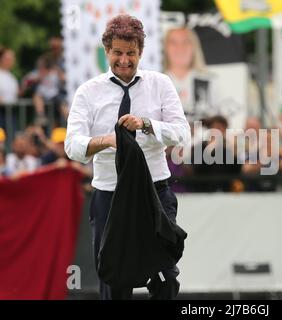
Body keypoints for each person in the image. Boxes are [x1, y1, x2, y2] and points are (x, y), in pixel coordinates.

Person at [64, 14, 190, 300]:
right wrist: (109, 140)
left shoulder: (160, 84)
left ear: (140, 52)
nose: (124, 60)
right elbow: (72, 146)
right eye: (118, 52)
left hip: (155, 192)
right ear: (106, 51)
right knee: (114, 279)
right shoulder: (87, 92)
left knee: (166, 276)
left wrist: (146, 124)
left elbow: (182, 135)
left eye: (131, 53)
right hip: (110, 195)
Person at [163, 27, 220, 121]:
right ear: (165, 48)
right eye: (173, 42)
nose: (180, 47)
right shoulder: (156, 82)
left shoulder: (211, 82)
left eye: (185, 42)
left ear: (194, 47)